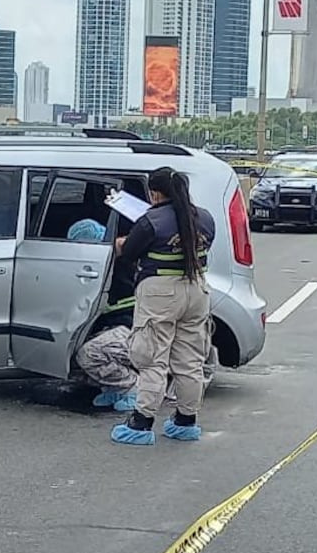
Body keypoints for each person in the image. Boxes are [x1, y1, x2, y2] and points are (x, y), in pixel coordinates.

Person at [110, 167, 215, 446]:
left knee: (152, 358)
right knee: (190, 360)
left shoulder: (151, 220)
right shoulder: (204, 218)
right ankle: (185, 420)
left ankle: (142, 422)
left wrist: (120, 242)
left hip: (160, 294)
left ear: (154, 193)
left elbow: (129, 252)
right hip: (197, 290)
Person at [67, 218, 140, 412]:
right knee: (75, 357)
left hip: (132, 328)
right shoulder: (107, 267)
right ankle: (113, 386)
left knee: (89, 355)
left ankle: (133, 386)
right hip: (118, 327)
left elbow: (120, 246)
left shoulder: (120, 266)